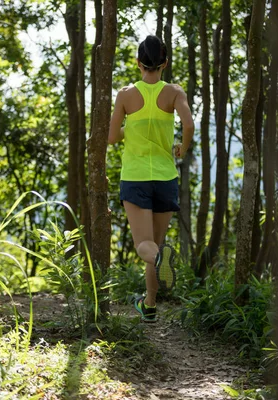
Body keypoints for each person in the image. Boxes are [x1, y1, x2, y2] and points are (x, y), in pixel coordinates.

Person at [108, 35, 194, 323]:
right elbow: (189, 123)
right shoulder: (174, 93)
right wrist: (184, 145)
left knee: (146, 246)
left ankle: (158, 262)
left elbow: (111, 137)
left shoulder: (125, 95)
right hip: (165, 177)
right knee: (155, 244)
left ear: (138, 62)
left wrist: (127, 130)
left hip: (135, 178)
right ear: (164, 63)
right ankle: (150, 305)